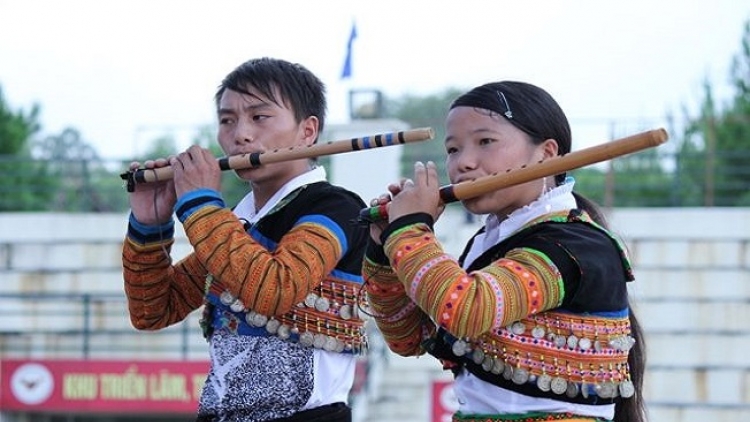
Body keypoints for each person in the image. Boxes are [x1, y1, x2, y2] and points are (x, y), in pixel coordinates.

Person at [363, 81, 647, 422]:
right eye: (453, 149)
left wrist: (410, 230)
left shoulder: (573, 246)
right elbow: (408, 338)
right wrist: (384, 246)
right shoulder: (488, 243)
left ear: (546, 153)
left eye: (486, 142)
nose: (464, 164)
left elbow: (466, 310)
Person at [122, 57, 369, 422]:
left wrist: (201, 202)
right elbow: (153, 310)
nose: (240, 135)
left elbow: (276, 288)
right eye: (227, 120)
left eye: (259, 117)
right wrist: (150, 222)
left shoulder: (336, 206)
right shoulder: (237, 221)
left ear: (307, 131)